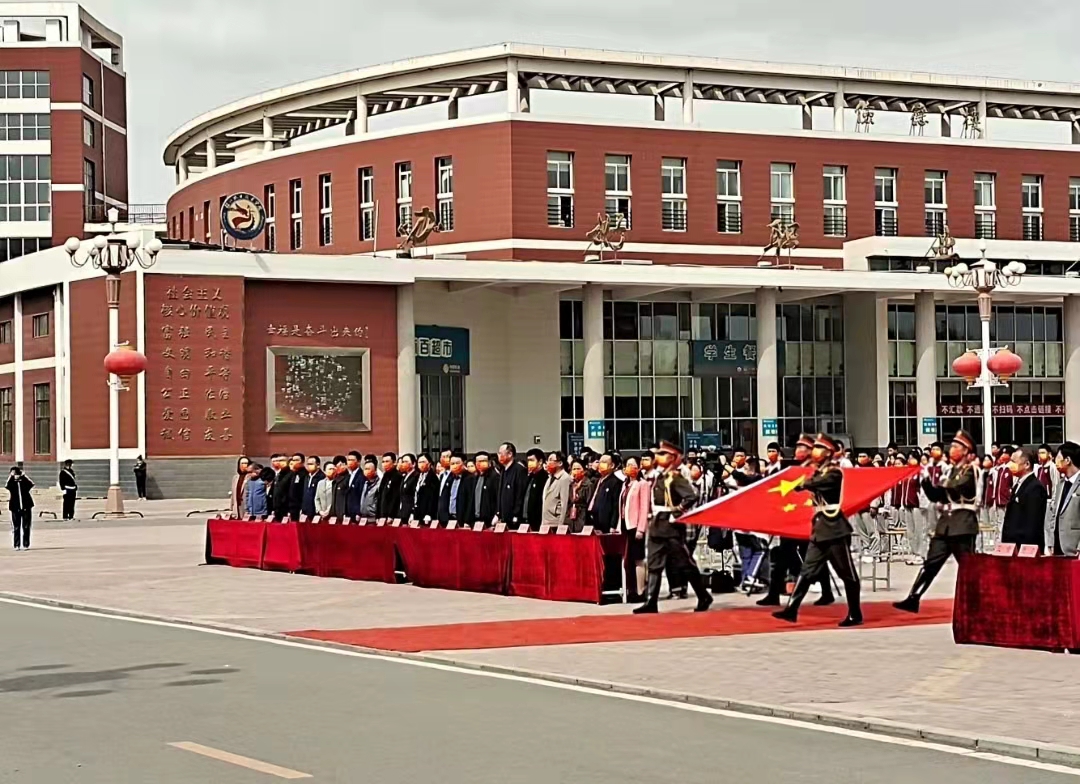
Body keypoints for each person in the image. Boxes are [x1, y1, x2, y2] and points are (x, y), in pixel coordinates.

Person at [773, 433, 862, 627]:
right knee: (807, 570)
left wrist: (800, 483)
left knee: (847, 574)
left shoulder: (834, 473)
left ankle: (855, 613)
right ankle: (791, 609)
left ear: (828, 452)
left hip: (835, 530)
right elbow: (810, 482)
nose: (814, 451)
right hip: (820, 529)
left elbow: (814, 484)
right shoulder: (818, 472)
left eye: (819, 448)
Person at [894, 431, 980, 614]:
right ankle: (913, 598)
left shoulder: (971, 471)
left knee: (968, 568)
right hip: (946, 525)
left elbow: (957, 487)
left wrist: (940, 484)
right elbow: (936, 496)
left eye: (956, 446)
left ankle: (977, 602)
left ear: (966, 451)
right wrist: (926, 480)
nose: (952, 449)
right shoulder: (952, 471)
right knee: (931, 563)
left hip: (962, 525)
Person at [633, 440, 712, 615]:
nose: (658, 457)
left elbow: (691, 496)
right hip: (657, 525)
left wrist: (676, 511)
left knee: (684, 563)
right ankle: (651, 601)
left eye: (663, 454)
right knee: (654, 564)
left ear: (672, 457)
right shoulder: (661, 476)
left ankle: (703, 595)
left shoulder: (675, 477)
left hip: (671, 528)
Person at [1000, 447, 1048, 548]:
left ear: (1027, 464)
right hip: (1012, 545)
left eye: (1014, 462)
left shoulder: (1035, 487)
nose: (1010, 465)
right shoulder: (1018, 484)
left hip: (1025, 546)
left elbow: (1032, 523)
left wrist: (1026, 548)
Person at [619, 455, 651, 602]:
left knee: (638, 558)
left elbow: (644, 508)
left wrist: (641, 528)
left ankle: (640, 591)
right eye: (627, 465)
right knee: (629, 560)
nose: (629, 468)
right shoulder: (625, 484)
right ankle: (631, 590)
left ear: (639, 468)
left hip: (636, 526)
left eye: (633, 465)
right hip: (625, 525)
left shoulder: (643, 484)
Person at [1048, 441, 1080, 557]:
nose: (1055, 461)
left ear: (1067, 460)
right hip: (1058, 548)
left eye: (1058, 458)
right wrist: (1050, 542)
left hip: (1074, 549)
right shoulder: (1060, 485)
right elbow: (1053, 514)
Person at [588, 452, 623, 534]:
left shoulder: (616, 482)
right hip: (595, 521)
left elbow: (616, 505)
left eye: (604, 462)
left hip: (606, 523)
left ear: (612, 465)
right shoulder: (597, 481)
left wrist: (613, 525)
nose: (600, 465)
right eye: (600, 462)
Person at [438, 452, 474, 525]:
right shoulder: (449, 478)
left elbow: (470, 501)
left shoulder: (470, 479)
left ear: (464, 463)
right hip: (449, 518)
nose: (454, 466)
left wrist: (467, 520)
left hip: (463, 519)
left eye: (457, 463)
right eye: (452, 463)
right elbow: (444, 498)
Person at [496, 442, 528, 525]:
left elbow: (520, 494)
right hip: (503, 517)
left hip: (514, 518)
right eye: (498, 453)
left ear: (510, 454)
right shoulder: (503, 470)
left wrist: (516, 514)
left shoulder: (519, 470)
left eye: (501, 453)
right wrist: (498, 513)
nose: (499, 456)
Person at [541, 451, 572, 527]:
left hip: (556, 522)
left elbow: (565, 504)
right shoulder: (549, 478)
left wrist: (561, 525)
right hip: (546, 522)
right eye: (548, 460)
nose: (548, 463)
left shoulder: (565, 478)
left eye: (551, 460)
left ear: (560, 463)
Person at [7, 466, 34, 550]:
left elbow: (31, 484)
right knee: (16, 527)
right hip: (15, 508)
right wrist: (11, 477)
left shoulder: (24, 482)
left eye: (16, 474)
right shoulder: (12, 483)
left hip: (26, 507)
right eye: (13, 474)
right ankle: (17, 544)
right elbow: (7, 485)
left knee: (26, 526)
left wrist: (23, 476)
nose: (15, 476)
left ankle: (26, 544)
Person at [471, 451, 501, 526]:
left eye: (483, 461)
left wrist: (497, 514)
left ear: (489, 462)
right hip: (476, 518)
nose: (481, 463)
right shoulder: (475, 478)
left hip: (490, 519)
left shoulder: (495, 477)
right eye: (478, 461)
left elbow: (498, 497)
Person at [521, 448, 548, 530]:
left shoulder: (545, 478)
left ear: (540, 461)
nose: (529, 463)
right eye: (528, 460)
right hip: (525, 519)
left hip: (537, 520)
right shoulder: (528, 477)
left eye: (532, 460)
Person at [567, 459, 595, 533]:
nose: (576, 471)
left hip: (583, 517)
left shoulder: (588, 485)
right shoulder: (571, 484)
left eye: (578, 468)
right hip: (571, 517)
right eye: (574, 469)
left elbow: (589, 503)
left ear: (584, 470)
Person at [413, 454, 439, 522]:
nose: (421, 464)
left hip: (427, 513)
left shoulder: (433, 478)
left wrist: (429, 513)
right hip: (417, 510)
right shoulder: (417, 476)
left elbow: (433, 497)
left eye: (423, 462)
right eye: (419, 462)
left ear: (429, 463)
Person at [376, 452, 402, 520]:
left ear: (394, 463)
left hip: (391, 516)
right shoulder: (385, 476)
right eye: (383, 462)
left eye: (387, 461)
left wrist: (391, 515)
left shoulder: (398, 476)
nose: (385, 464)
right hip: (382, 514)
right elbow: (380, 496)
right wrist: (378, 515)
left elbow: (395, 498)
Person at [344, 450, 366, 518]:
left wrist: (358, 512)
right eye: (348, 460)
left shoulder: (362, 476)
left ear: (358, 462)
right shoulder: (348, 476)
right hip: (348, 513)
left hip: (356, 514)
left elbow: (361, 496)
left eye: (352, 460)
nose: (349, 462)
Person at [397, 454, 419, 522]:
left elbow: (415, 496)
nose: (403, 464)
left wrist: (413, 512)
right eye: (403, 462)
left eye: (406, 461)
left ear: (413, 464)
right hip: (402, 512)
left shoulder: (416, 476)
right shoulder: (404, 477)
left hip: (410, 513)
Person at [330, 455, 348, 519]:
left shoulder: (348, 478)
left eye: (339, 466)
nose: (336, 468)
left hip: (343, 514)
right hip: (334, 514)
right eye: (335, 467)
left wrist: (345, 512)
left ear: (345, 464)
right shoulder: (335, 479)